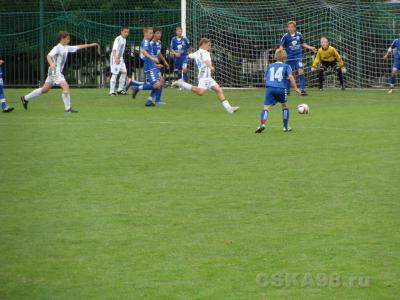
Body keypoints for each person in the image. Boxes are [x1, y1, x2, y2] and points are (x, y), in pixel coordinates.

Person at [21, 31, 98, 112]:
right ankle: (68, 109)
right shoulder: (57, 47)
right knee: (65, 86)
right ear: (62, 38)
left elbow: (77, 47)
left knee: (45, 89)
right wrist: (51, 64)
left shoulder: (66, 47)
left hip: (54, 71)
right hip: (55, 71)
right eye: (67, 39)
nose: (69, 40)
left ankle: (25, 98)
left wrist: (90, 45)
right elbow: (48, 56)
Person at [171, 38, 239, 114]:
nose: (209, 46)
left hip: (207, 76)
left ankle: (229, 108)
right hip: (204, 76)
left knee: (218, 90)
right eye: (208, 45)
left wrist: (184, 65)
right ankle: (182, 83)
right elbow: (206, 61)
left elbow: (186, 57)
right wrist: (210, 66)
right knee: (200, 92)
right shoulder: (205, 53)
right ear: (203, 44)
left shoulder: (196, 52)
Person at [255, 49, 301, 134]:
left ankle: (262, 124)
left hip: (270, 88)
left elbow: (264, 79)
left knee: (266, 108)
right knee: (285, 106)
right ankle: (285, 127)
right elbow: (291, 77)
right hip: (281, 88)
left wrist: (268, 87)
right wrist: (295, 88)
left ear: (275, 57)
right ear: (285, 58)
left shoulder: (269, 66)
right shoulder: (287, 66)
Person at [279, 20, 317, 95]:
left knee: (301, 70)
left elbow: (303, 43)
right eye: (289, 27)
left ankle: (303, 90)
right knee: (288, 75)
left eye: (292, 27)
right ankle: (287, 90)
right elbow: (281, 45)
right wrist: (280, 49)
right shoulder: (285, 36)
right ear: (288, 28)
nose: (290, 28)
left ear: (295, 28)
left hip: (297, 57)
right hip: (289, 58)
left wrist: (311, 47)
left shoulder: (299, 34)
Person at [127, 27, 162, 107]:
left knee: (158, 84)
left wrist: (155, 64)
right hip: (149, 67)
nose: (151, 35)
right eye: (150, 33)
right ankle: (136, 88)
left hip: (152, 66)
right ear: (145, 33)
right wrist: (152, 58)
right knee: (156, 85)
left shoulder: (148, 42)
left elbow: (145, 54)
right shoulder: (145, 42)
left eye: (152, 33)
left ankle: (149, 102)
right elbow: (143, 51)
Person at [149, 27, 170, 105]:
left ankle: (155, 99)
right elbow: (148, 57)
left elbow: (159, 53)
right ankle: (156, 100)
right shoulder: (150, 44)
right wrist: (155, 65)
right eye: (157, 33)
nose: (159, 35)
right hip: (151, 66)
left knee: (159, 81)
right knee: (159, 81)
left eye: (160, 33)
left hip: (155, 66)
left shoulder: (159, 42)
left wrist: (165, 61)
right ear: (154, 34)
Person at [109, 26, 129, 96]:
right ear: (121, 32)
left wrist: (120, 58)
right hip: (115, 57)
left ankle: (120, 90)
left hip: (120, 58)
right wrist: (115, 58)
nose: (126, 33)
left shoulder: (124, 40)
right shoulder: (118, 39)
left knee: (124, 72)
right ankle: (111, 92)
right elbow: (114, 50)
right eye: (125, 32)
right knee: (115, 74)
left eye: (127, 32)